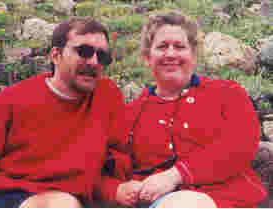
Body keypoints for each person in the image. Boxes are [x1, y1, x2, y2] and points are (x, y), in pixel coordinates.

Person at [99, 12, 268, 207]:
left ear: (194, 55)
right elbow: (105, 170)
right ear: (147, 57)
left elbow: (240, 143)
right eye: (162, 46)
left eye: (179, 47)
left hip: (228, 200)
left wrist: (176, 175)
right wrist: (118, 190)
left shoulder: (228, 94)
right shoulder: (130, 113)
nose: (171, 54)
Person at [0, 16, 127, 207]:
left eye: (102, 56)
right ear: (55, 55)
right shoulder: (13, 101)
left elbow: (116, 161)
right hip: (7, 195)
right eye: (84, 51)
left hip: (69, 198)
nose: (94, 62)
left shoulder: (108, 97)